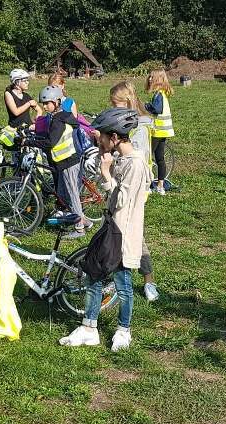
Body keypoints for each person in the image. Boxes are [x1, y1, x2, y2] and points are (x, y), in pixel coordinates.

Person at [59, 108, 149, 351]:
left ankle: (123, 330)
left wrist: (106, 173)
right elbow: (108, 192)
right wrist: (104, 166)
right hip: (110, 228)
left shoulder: (135, 163)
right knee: (94, 275)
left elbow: (121, 201)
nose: (99, 140)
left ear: (115, 137)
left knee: (123, 283)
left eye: (102, 136)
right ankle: (89, 328)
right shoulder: (119, 158)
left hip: (122, 234)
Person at [109, 81, 160, 302]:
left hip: (136, 186)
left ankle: (148, 280)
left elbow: (137, 156)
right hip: (124, 181)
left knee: (134, 235)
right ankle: (115, 273)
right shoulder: (125, 123)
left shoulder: (139, 127)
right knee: (118, 230)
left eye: (116, 104)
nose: (113, 108)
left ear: (128, 102)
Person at [37, 85, 90, 238]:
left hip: (69, 161)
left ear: (57, 102)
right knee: (63, 194)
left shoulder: (58, 120)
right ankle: (85, 221)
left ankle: (79, 228)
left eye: (47, 103)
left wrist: (28, 142)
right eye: (43, 103)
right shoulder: (62, 116)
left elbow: (50, 142)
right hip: (65, 161)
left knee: (72, 195)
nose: (44, 106)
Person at [145, 70, 175, 194]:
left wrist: (147, 106)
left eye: (152, 77)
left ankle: (146, 185)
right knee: (160, 158)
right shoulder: (163, 93)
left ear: (158, 80)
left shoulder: (158, 95)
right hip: (164, 131)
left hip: (157, 131)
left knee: (147, 157)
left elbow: (157, 109)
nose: (149, 79)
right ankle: (160, 186)